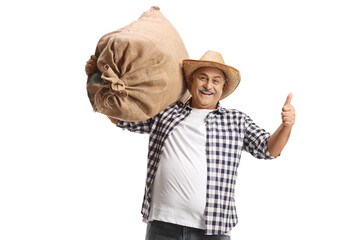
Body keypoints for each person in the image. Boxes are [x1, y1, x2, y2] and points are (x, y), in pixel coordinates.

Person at [85, 50, 296, 239]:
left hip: (211, 230)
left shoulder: (236, 121)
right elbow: (119, 117)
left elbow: (268, 149)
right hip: (162, 225)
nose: (208, 85)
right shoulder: (166, 112)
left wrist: (286, 125)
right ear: (191, 80)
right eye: (202, 78)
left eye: (215, 80)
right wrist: (94, 79)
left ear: (223, 86)